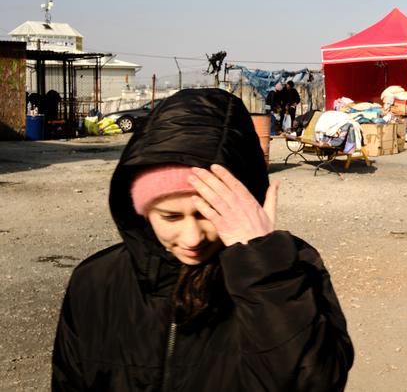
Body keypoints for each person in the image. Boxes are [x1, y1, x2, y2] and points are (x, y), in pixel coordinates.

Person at [52, 88, 354, 391]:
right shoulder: (96, 281)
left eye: (208, 213)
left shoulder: (290, 267)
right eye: (170, 216)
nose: (192, 238)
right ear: (142, 212)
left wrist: (263, 269)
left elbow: (316, 382)